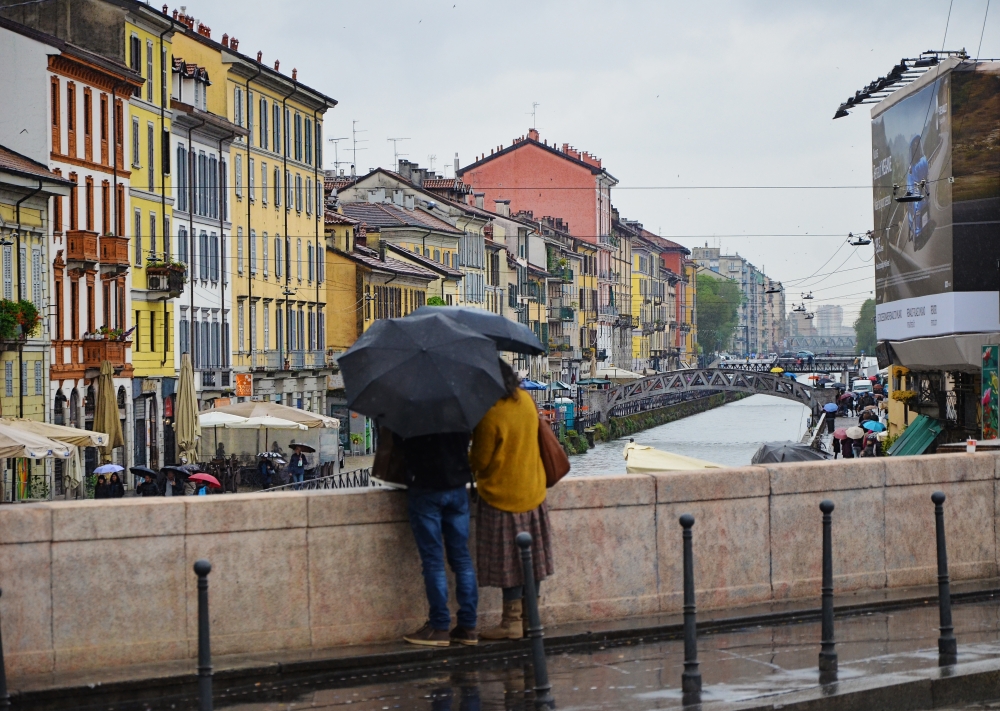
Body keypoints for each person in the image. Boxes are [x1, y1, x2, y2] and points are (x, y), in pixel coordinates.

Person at [470, 360, 554, 642]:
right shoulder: (527, 402)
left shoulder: (490, 414)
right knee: (534, 561)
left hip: (503, 498)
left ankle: (511, 622)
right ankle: (533, 617)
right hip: (534, 492)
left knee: (509, 563)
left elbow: (480, 461)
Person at [397, 424, 478, 648]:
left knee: (433, 561)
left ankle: (439, 626)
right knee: (462, 559)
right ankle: (468, 627)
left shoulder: (413, 411)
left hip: (426, 486)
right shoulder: (458, 408)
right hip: (458, 486)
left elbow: (400, 447)